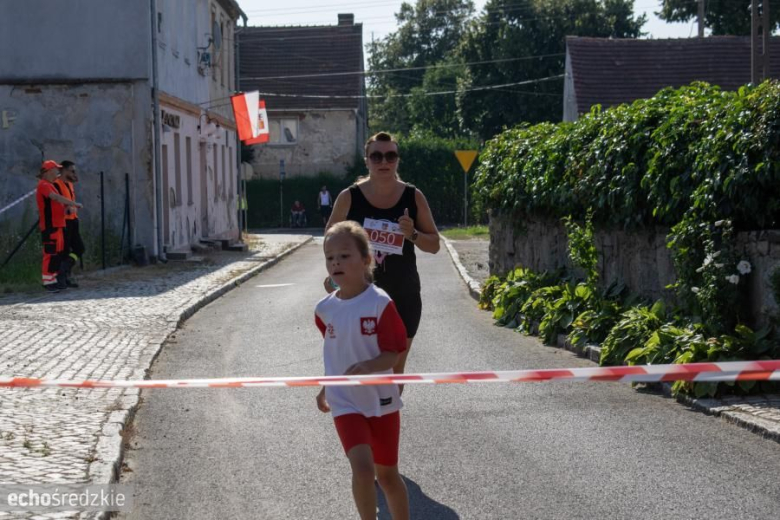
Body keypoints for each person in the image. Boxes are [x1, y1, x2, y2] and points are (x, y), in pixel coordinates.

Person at [326, 131, 440, 385]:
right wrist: (335, 278)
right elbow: (329, 242)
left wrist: (412, 234)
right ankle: (364, 416)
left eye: (390, 156)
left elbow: (434, 245)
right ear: (366, 160)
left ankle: (386, 419)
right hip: (360, 297)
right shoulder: (349, 197)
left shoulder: (413, 196)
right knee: (360, 365)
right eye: (376, 156)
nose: (383, 162)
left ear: (397, 160)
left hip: (404, 295)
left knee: (395, 369)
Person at [315, 221, 409, 520]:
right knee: (363, 470)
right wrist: (326, 386)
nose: (336, 262)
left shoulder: (380, 303)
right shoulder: (324, 309)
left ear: (366, 260)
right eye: (330, 257)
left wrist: (369, 366)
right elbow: (336, 352)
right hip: (344, 401)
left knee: (388, 476)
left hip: (380, 399)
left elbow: (394, 353)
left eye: (344, 255)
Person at [36, 160, 82, 292]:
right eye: (55, 170)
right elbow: (55, 197)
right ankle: (48, 281)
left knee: (57, 253)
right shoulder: (44, 185)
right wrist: (73, 204)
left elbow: (56, 202)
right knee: (50, 253)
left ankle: (53, 280)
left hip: (59, 224)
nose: (57, 172)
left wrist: (68, 206)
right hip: (50, 225)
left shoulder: (50, 185)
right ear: (48, 171)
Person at [53, 160, 85, 287]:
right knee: (64, 250)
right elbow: (55, 201)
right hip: (63, 221)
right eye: (72, 171)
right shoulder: (56, 184)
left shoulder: (70, 184)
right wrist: (65, 208)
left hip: (73, 220)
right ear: (64, 170)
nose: (74, 173)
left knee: (79, 248)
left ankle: (64, 271)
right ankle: (62, 277)